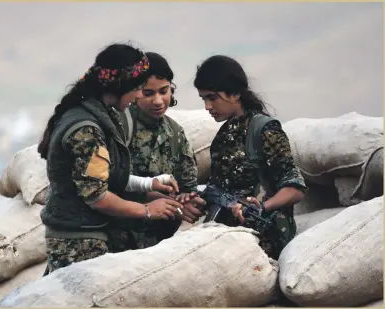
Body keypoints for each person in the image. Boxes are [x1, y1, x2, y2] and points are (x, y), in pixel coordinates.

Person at [37, 43, 185, 274]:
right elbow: (97, 197)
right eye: (137, 88)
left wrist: (149, 185)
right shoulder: (86, 130)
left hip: (88, 235)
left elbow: (105, 176)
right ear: (120, 86)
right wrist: (147, 210)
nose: (138, 95)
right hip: (79, 242)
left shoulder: (101, 116)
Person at [193, 55, 307, 259]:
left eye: (212, 98)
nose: (207, 107)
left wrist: (261, 207)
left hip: (262, 240)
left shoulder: (264, 130)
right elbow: (218, 186)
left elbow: (295, 189)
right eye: (204, 99)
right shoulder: (223, 136)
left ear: (235, 93)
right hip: (227, 237)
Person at [118, 52, 206, 245]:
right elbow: (103, 184)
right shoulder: (120, 125)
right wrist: (149, 195)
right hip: (116, 240)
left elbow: (187, 186)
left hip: (157, 245)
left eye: (164, 91)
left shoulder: (175, 134)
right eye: (148, 93)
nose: (158, 101)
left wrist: (186, 201)